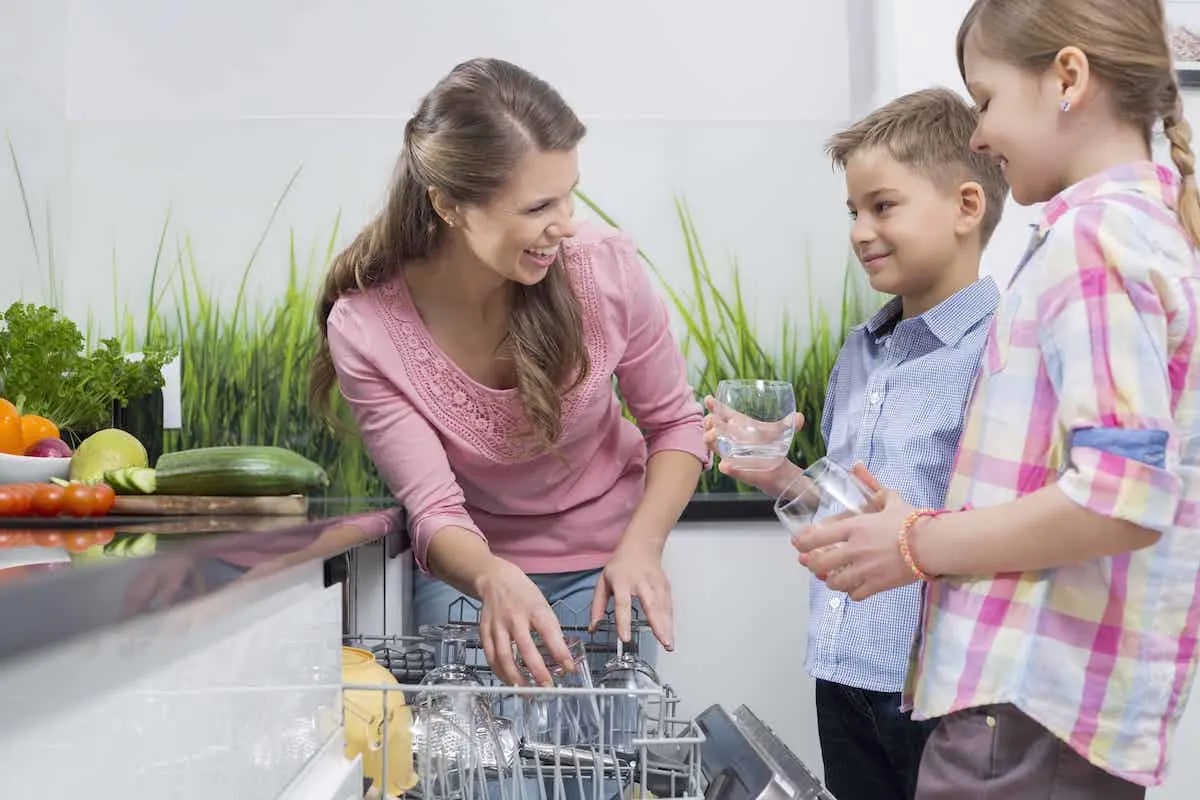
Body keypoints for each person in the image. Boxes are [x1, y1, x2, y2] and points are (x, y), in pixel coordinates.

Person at [792, 1, 1200, 796]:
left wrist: (915, 542)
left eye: (985, 102)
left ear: (1068, 79)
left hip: (1025, 714)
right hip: (1027, 711)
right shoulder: (1126, 233)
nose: (978, 136)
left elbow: (1121, 497)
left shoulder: (1097, 242)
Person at [309, 58, 706, 687]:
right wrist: (492, 575)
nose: (566, 223)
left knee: (595, 777)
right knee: (474, 774)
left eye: (570, 192)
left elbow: (676, 425)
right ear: (448, 205)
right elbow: (434, 508)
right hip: (471, 576)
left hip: (607, 569)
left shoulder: (604, 272)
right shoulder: (367, 329)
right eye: (538, 205)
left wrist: (641, 548)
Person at [703, 88, 1007, 800]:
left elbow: (1001, 531)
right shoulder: (859, 353)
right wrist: (784, 478)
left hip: (936, 691)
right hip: (841, 674)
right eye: (853, 211)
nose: (861, 230)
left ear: (967, 207)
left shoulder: (998, 353)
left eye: (883, 205)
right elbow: (850, 511)